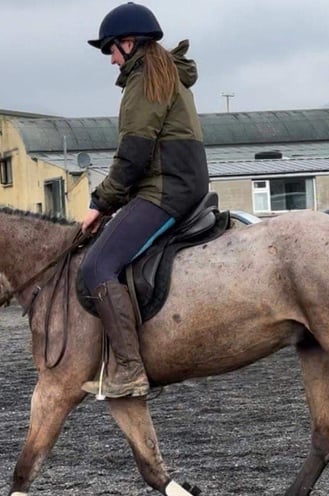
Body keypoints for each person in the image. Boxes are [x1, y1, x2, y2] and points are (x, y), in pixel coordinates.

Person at [80, 2, 209, 399]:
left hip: (167, 188)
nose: (111, 60)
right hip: (176, 182)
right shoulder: (162, 73)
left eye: (111, 50)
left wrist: (100, 203)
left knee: (98, 264)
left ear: (129, 43)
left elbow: (134, 153)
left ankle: (130, 369)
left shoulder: (145, 79)